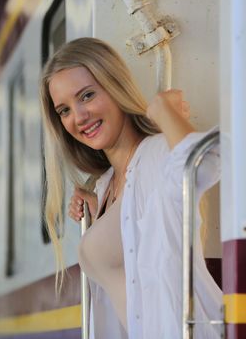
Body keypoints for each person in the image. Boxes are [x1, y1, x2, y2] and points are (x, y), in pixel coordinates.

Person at [39, 37, 221, 338]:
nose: (78, 118)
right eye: (64, 110)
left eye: (86, 95)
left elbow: (205, 164)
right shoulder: (108, 183)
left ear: (115, 87)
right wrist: (99, 217)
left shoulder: (155, 153)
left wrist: (164, 111)